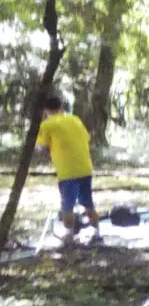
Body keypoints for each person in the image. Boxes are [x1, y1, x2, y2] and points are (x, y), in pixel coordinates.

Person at [36, 94, 97, 236]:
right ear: (61, 106)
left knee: (67, 207)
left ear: (46, 110)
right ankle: (97, 233)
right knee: (88, 203)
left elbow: (42, 147)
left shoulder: (47, 125)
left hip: (67, 172)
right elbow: (86, 139)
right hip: (85, 168)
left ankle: (69, 237)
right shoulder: (75, 119)